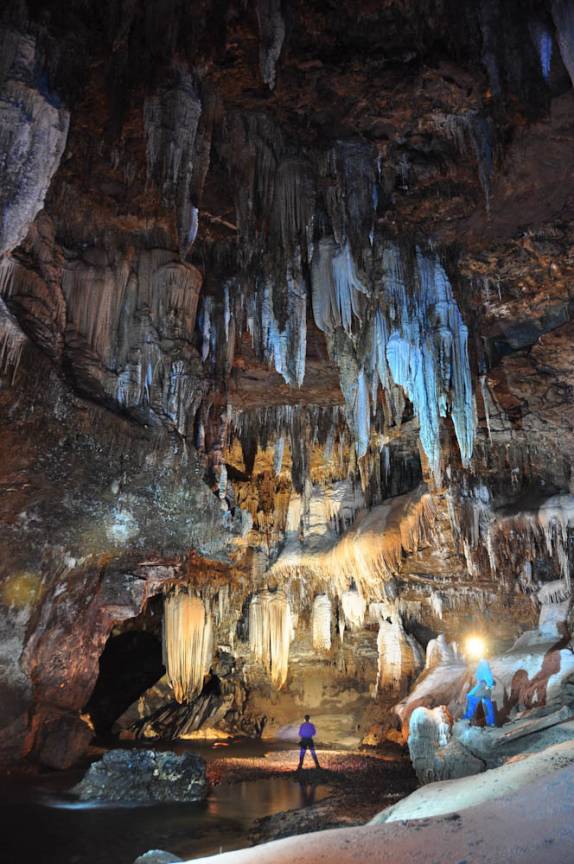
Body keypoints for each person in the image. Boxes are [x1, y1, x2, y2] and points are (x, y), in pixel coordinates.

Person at [463, 658, 496, 727]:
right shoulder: (481, 664)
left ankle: (466, 720)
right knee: (487, 703)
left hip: (484, 685)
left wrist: (489, 684)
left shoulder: (483, 663)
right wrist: (490, 685)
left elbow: (486, 674)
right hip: (485, 686)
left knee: (471, 698)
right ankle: (491, 722)